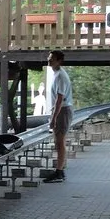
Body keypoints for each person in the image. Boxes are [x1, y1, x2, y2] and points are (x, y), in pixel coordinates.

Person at [43, 50, 73, 183]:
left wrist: (54, 117)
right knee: (58, 141)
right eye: (49, 58)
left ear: (59, 61)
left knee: (60, 142)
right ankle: (59, 170)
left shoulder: (60, 76)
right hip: (61, 110)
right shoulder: (57, 74)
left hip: (63, 110)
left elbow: (60, 99)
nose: (49, 60)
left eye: (52, 59)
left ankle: (59, 171)